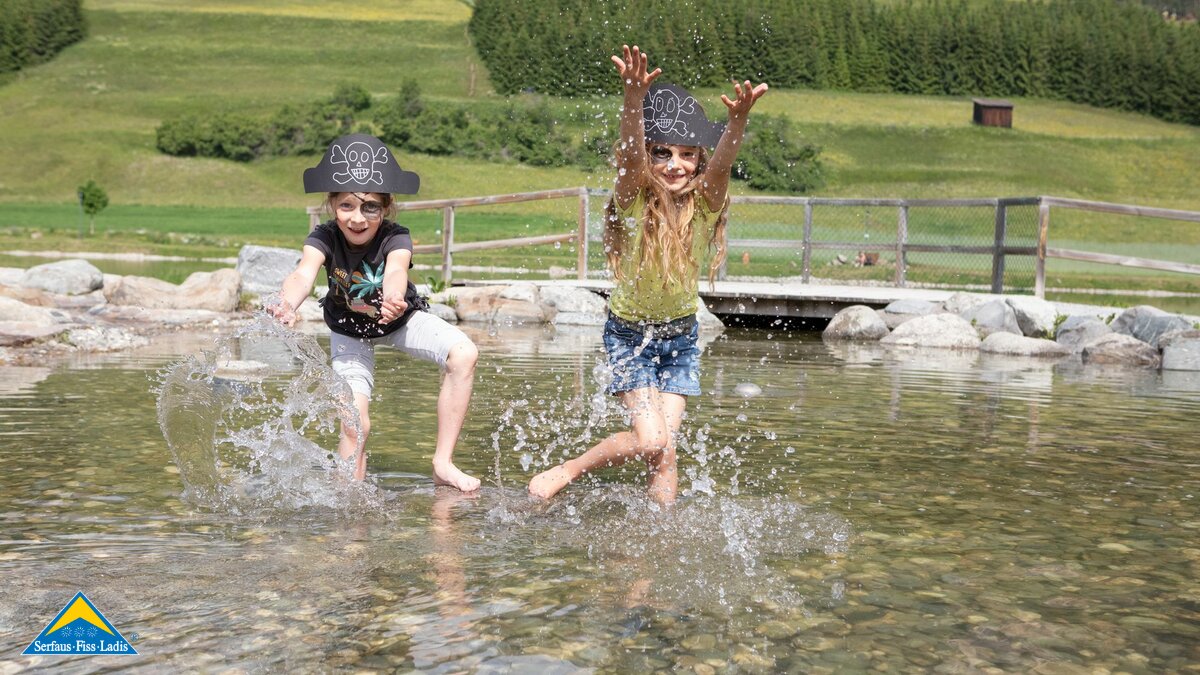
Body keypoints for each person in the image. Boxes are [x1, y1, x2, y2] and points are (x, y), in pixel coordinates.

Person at [529, 45, 768, 504]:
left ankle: (657, 540)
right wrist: (633, 99)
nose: (674, 164)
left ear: (698, 160)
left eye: (686, 155)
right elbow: (627, 158)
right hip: (629, 335)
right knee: (653, 439)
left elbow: (723, 165)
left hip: (680, 339)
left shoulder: (705, 207)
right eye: (662, 153)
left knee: (664, 450)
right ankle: (570, 468)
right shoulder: (634, 203)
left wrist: (736, 123)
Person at [269, 133, 480, 491]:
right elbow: (303, 273)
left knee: (464, 354)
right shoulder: (323, 237)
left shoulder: (395, 237)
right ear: (331, 204)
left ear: (386, 208)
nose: (357, 218)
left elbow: (397, 270)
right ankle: (348, 496)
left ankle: (443, 463)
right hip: (348, 332)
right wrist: (286, 304)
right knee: (355, 421)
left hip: (400, 320)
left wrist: (393, 297)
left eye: (370, 208)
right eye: (346, 206)